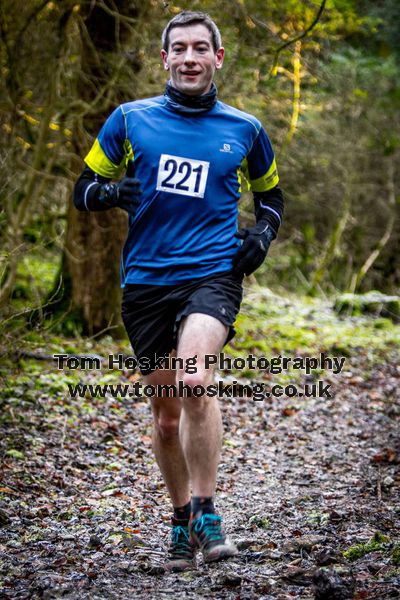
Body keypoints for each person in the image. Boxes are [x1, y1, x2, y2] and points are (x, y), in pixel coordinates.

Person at [73, 11, 283, 572]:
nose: (190, 58)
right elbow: (83, 188)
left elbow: (272, 199)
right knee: (166, 418)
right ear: (164, 58)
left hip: (213, 275)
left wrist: (262, 233)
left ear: (218, 58)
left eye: (200, 48)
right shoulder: (128, 119)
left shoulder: (246, 129)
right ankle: (180, 516)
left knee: (195, 375)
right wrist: (111, 191)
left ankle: (209, 512)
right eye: (179, 49)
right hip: (144, 282)